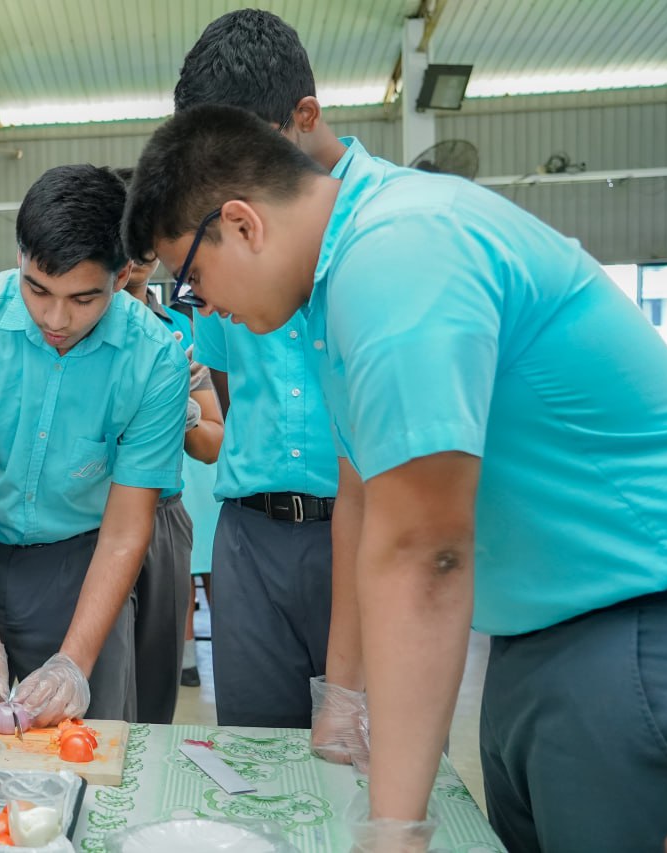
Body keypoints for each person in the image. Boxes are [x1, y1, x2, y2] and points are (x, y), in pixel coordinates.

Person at [124, 103, 667, 853]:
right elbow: (369, 503)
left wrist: (394, 828)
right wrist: (344, 694)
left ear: (244, 224)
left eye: (193, 281)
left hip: (625, 623)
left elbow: (425, 550)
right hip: (533, 631)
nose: (203, 308)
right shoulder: (337, 282)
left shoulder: (396, 254)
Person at [0, 164, 189, 725]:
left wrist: (73, 661)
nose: (55, 317)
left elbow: (125, 527)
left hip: (83, 560)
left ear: (123, 276)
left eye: (83, 298)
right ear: (19, 256)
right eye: (37, 289)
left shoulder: (156, 359)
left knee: (85, 737)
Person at [170, 8, 377, 728]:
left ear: (303, 116)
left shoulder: (378, 233)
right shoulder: (227, 239)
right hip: (251, 538)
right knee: (257, 756)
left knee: (372, 753)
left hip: (366, 530)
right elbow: (223, 386)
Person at [112, 169, 224, 724]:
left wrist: (180, 407)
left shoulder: (176, 332)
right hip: (94, 515)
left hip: (163, 516)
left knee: (156, 685)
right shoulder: (78, 330)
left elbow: (211, 445)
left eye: (149, 242)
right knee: (99, 686)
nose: (142, 256)